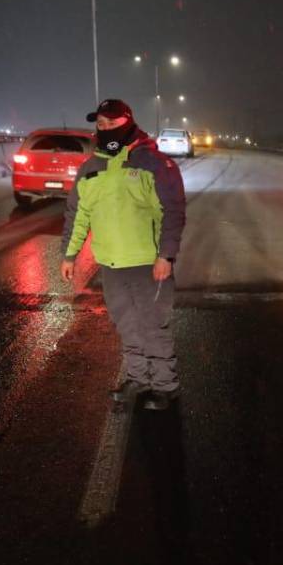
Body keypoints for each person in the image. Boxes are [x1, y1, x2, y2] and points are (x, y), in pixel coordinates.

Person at [60, 99, 187, 410]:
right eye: (100, 125)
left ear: (127, 121)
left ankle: (165, 386)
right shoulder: (90, 168)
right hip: (112, 264)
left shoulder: (154, 162)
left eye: (111, 124)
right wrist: (69, 254)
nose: (104, 129)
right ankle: (138, 379)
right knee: (127, 324)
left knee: (152, 324)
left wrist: (165, 256)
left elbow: (173, 211)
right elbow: (77, 214)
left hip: (147, 262)